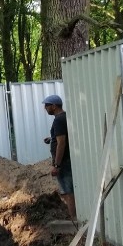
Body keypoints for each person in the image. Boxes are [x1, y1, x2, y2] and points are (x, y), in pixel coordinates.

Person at [43, 94, 76, 223]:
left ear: (54, 106)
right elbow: (62, 138)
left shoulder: (58, 120)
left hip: (64, 162)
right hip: (66, 160)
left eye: (47, 106)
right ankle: (74, 218)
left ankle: (74, 221)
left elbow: (62, 143)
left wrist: (56, 165)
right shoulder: (64, 117)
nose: (45, 108)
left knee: (68, 191)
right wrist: (51, 139)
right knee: (67, 191)